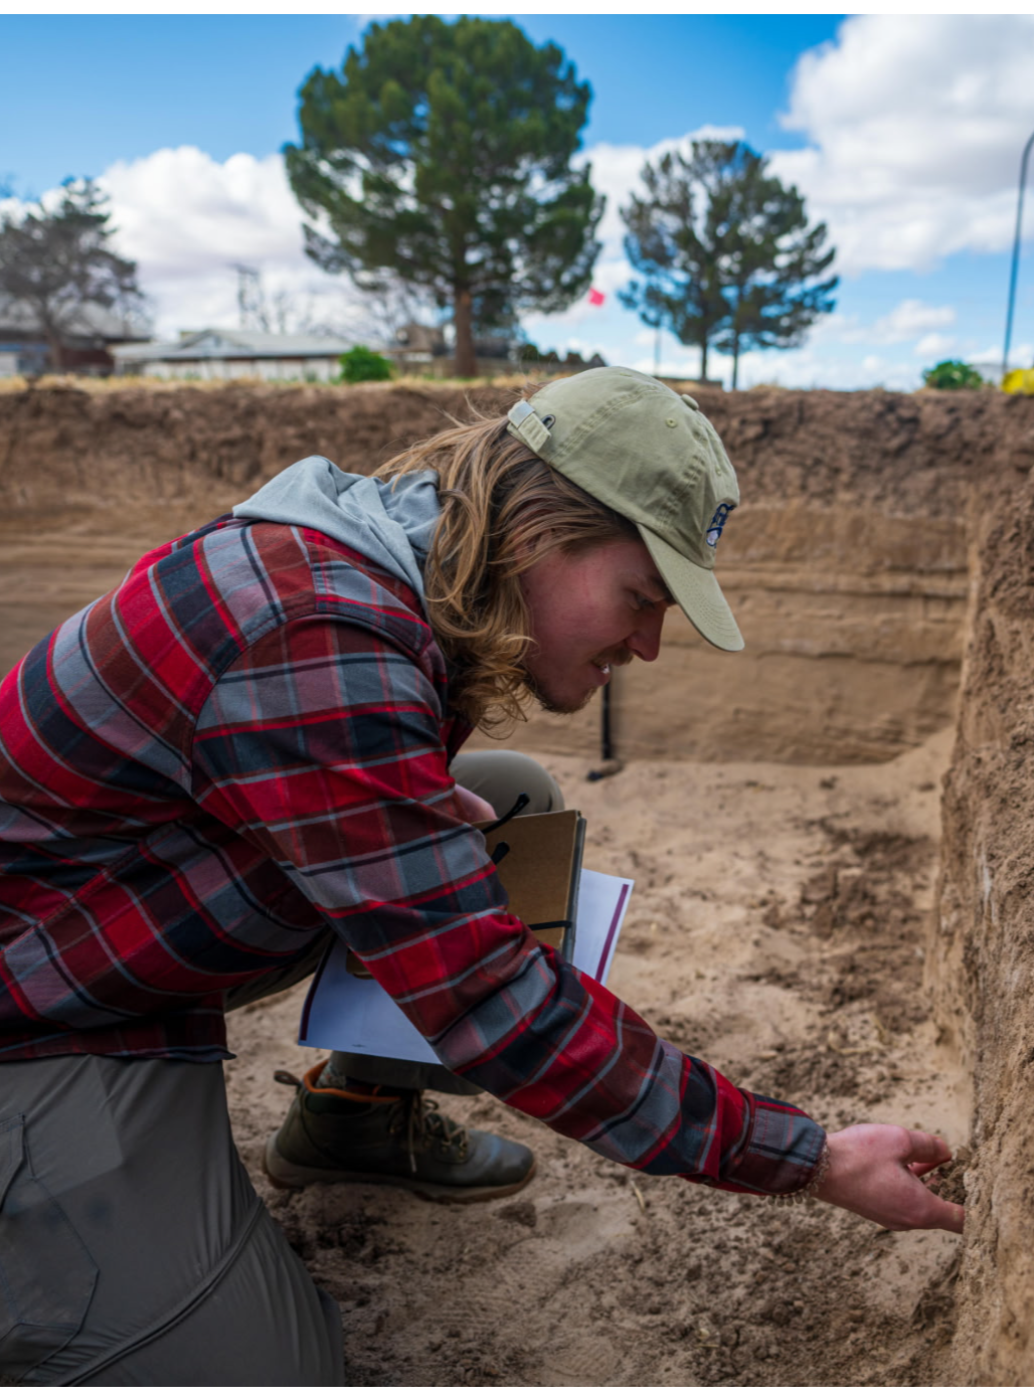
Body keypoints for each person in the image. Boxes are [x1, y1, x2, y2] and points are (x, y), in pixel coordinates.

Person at [0, 368, 963, 1386]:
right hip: (41, 1011)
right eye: (640, 597)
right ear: (534, 534)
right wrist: (810, 1157)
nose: (647, 644)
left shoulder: (377, 559)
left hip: (109, 929)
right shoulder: (318, 632)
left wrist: (401, 819)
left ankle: (353, 1118)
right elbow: (490, 1000)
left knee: (507, 804)